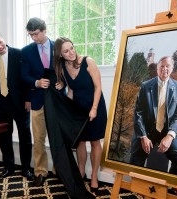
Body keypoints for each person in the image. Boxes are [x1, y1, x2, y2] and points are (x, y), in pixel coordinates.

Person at [53, 37, 107, 191]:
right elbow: (71, 90)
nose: (71, 52)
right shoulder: (62, 67)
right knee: (80, 142)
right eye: (66, 51)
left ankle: (94, 176)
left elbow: (98, 87)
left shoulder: (88, 62)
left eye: (72, 48)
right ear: (60, 54)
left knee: (95, 142)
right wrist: (68, 111)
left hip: (95, 106)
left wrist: (94, 108)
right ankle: (81, 171)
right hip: (78, 108)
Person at [130, 56, 177, 178]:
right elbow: (138, 113)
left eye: (167, 66)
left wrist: (170, 136)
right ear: (157, 69)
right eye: (162, 66)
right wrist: (143, 136)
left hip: (168, 130)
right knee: (134, 160)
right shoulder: (146, 86)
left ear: (172, 68)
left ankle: (170, 184)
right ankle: (137, 188)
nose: (164, 69)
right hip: (147, 130)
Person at [0, 31, 33, 180]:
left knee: (25, 136)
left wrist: (28, 99)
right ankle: (9, 167)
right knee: (3, 136)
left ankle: (26, 168)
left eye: (0, 42)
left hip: (20, 102)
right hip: (0, 103)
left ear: (3, 38)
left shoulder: (20, 53)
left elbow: (26, 79)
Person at [21, 17, 59, 186]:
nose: (34, 38)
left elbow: (66, 69)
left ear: (44, 30)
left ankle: (60, 169)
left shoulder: (58, 47)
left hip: (58, 100)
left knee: (58, 137)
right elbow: (23, 75)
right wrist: (36, 82)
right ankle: (40, 172)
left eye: (36, 34)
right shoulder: (26, 51)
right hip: (37, 100)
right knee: (38, 138)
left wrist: (62, 83)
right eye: (31, 35)